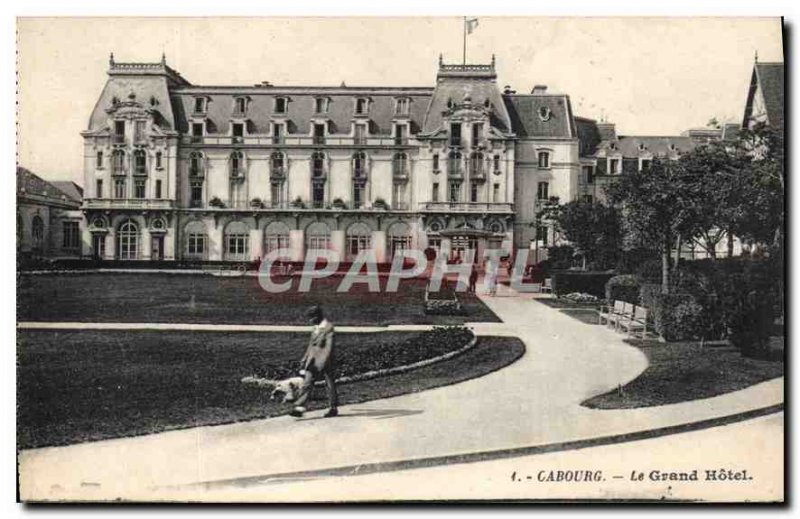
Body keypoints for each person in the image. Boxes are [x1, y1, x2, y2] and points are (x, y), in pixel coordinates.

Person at [290, 305, 338, 418]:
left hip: (326, 361)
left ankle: (333, 407)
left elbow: (329, 348)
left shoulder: (329, 328)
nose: (310, 321)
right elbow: (311, 345)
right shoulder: (316, 327)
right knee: (307, 382)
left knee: (330, 384)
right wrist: (305, 358)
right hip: (312, 360)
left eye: (312, 318)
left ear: (318, 316)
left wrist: (322, 362)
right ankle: (299, 407)